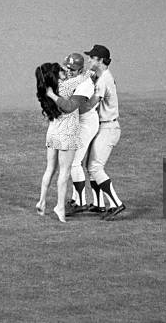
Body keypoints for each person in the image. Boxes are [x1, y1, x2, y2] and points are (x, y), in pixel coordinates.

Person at [46, 54, 101, 216]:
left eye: (73, 69)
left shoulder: (85, 85)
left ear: (80, 70)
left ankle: (81, 202)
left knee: (75, 162)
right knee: (72, 163)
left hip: (85, 123)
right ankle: (78, 199)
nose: (68, 71)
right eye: (67, 67)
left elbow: (70, 107)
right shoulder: (78, 77)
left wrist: (52, 95)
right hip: (76, 122)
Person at [34, 61, 85, 222]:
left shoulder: (44, 92)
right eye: (61, 71)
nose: (64, 72)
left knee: (50, 169)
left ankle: (42, 201)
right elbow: (86, 76)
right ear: (55, 76)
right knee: (65, 172)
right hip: (67, 134)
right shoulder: (64, 88)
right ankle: (60, 207)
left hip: (52, 133)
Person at [84, 45, 126, 220]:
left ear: (100, 60)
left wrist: (67, 109)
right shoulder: (101, 77)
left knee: (95, 167)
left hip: (108, 128)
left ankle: (116, 203)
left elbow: (90, 104)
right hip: (102, 127)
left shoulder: (104, 80)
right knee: (90, 166)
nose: (88, 60)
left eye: (92, 58)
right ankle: (99, 204)